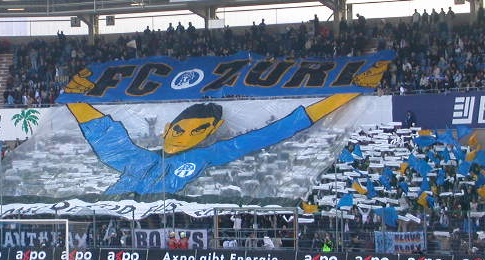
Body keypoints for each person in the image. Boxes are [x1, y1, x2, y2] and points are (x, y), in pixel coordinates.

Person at [64, 66, 384, 195]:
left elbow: (279, 131)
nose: (184, 136)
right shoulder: (133, 158)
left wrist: (348, 93)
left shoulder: (211, 154)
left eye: (198, 131)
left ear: (211, 133)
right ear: (167, 128)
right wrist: (73, 97)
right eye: (180, 129)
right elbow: (102, 130)